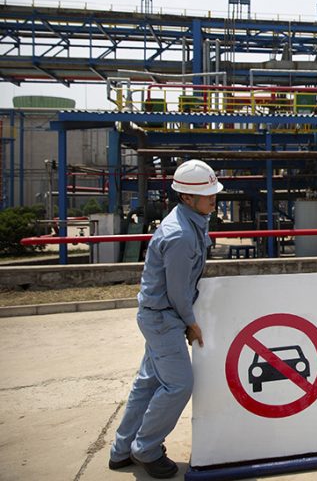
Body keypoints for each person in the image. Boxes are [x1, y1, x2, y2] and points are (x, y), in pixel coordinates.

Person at [108, 159, 223, 478]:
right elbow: (176, 290)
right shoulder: (180, 235)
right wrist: (191, 322)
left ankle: (121, 450)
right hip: (164, 318)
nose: (213, 198)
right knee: (179, 384)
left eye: (214, 192)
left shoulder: (194, 221)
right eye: (207, 194)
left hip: (159, 315)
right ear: (187, 197)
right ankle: (146, 447)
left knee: (148, 384)